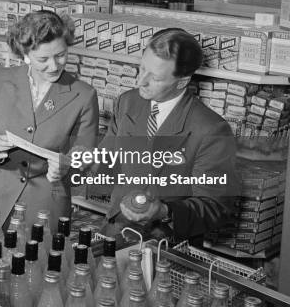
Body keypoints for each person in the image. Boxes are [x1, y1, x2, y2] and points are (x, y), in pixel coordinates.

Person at [93, 27, 238, 244]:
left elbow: (215, 207)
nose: (140, 81)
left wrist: (163, 211)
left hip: (165, 244)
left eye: (156, 78)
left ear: (182, 82)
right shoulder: (128, 102)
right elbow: (107, 158)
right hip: (115, 229)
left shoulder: (211, 129)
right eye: (141, 68)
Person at [0, 10, 99, 230]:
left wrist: (68, 164)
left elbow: (86, 157)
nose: (54, 65)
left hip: (45, 207)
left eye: (61, 55)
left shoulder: (83, 95)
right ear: (25, 54)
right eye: (43, 59)